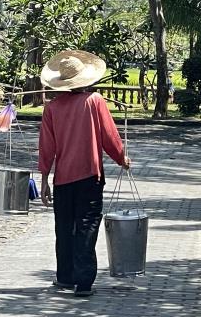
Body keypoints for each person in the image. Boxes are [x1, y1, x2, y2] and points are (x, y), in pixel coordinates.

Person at [38, 50, 131, 297]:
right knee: (87, 226)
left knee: (64, 227)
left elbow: (47, 148)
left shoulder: (52, 108)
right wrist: (122, 159)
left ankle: (65, 276)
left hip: (63, 179)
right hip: (90, 176)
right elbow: (109, 137)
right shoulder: (95, 101)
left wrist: (44, 179)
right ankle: (84, 281)